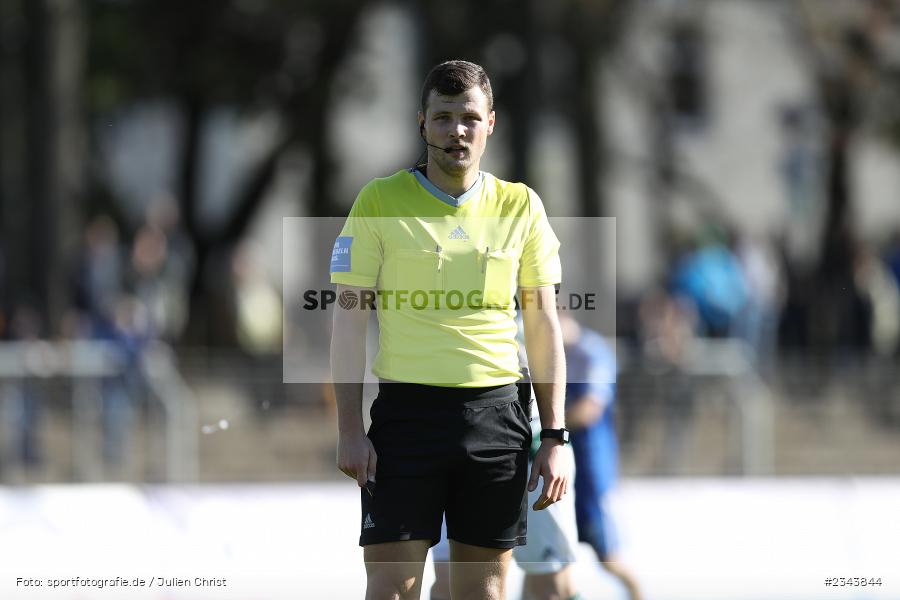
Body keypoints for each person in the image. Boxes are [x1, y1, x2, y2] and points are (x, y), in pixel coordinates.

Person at [330, 60, 569, 600]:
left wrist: (554, 435)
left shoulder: (521, 205)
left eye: (468, 117)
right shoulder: (378, 201)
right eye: (442, 117)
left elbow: (542, 322)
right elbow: (348, 320)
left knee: (482, 593)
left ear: (491, 124)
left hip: (497, 417)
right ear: (422, 124)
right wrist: (348, 428)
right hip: (406, 418)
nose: (455, 131)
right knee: (391, 589)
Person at [559, 313, 642, 600]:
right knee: (547, 561)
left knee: (609, 559)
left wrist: (546, 428)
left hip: (592, 473)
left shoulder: (591, 352)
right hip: (562, 473)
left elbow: (589, 408)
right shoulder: (555, 352)